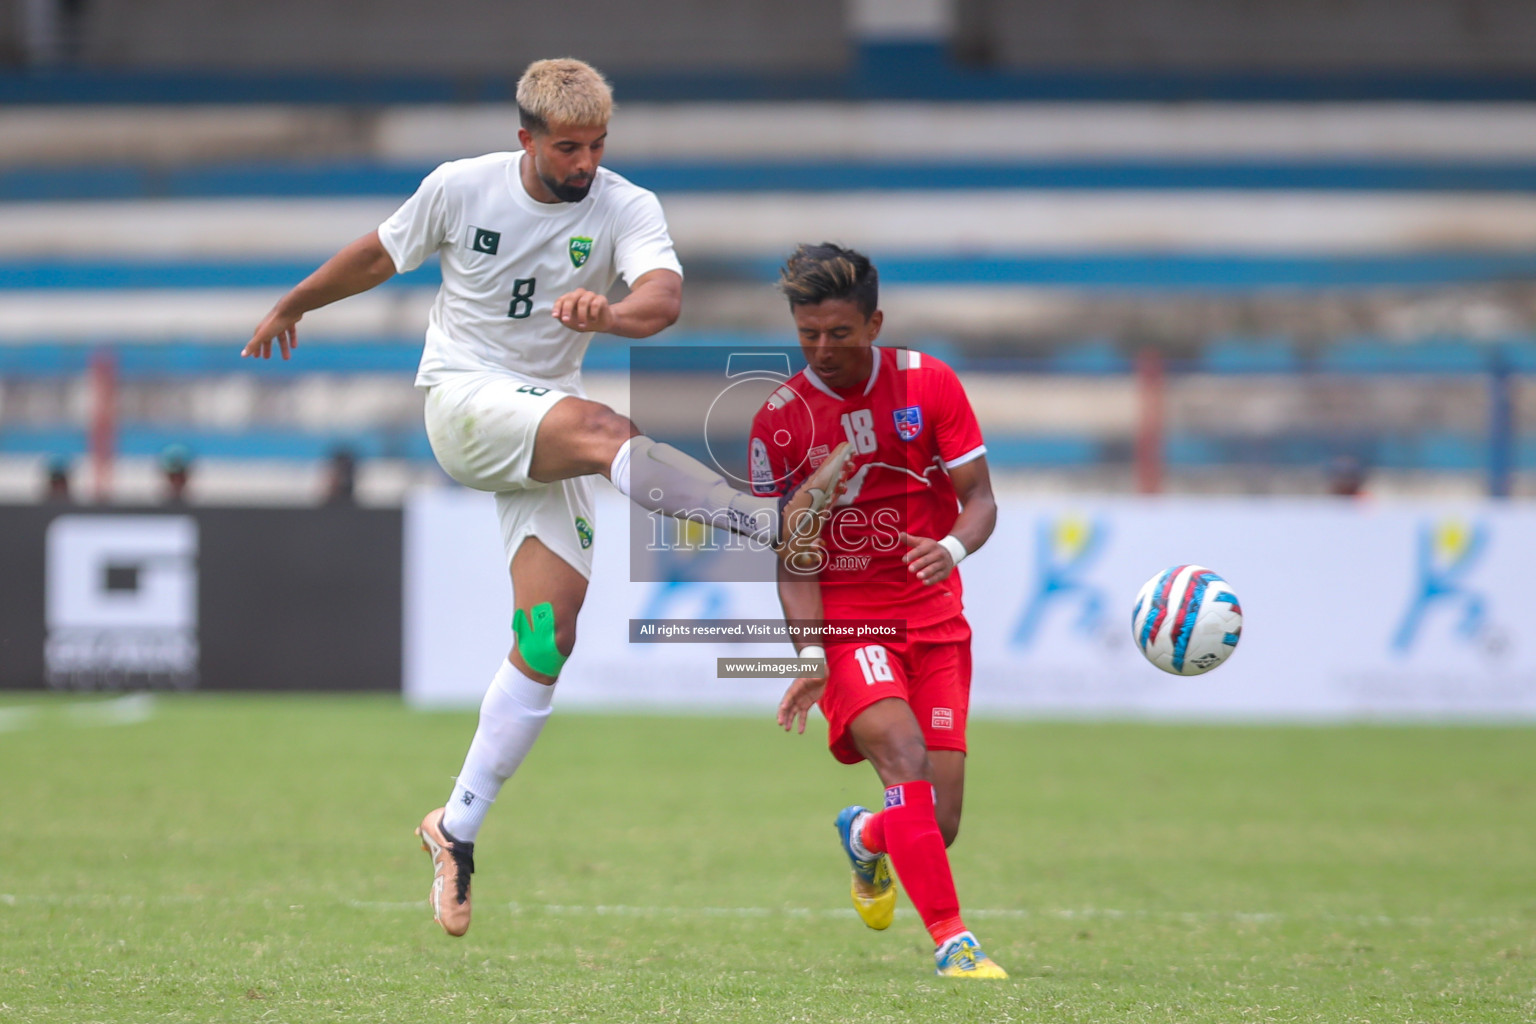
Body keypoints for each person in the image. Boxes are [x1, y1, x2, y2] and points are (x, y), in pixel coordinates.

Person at [243, 58, 851, 938]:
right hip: (466, 403)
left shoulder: (625, 203)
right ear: (525, 138)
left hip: (541, 434)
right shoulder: (462, 188)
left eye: (597, 144)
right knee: (607, 429)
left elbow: (663, 298)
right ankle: (771, 521)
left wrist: (608, 314)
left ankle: (454, 829)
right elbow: (380, 253)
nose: (585, 162)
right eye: (568, 146)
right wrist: (293, 303)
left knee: (546, 636)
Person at [752, 243, 1006, 979]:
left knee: (940, 820)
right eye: (808, 335)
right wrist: (809, 656)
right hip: (849, 617)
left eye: (839, 333)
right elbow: (793, 558)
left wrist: (952, 550)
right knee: (904, 757)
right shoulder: (781, 419)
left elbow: (980, 500)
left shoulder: (930, 384)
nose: (823, 350)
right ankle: (955, 941)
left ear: (875, 323)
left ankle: (865, 834)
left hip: (935, 615)